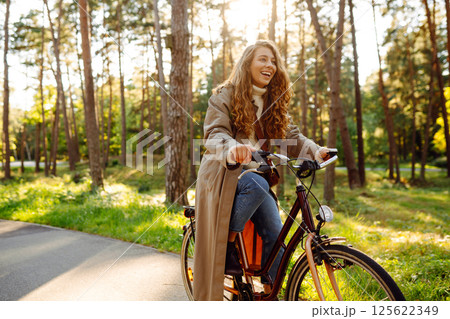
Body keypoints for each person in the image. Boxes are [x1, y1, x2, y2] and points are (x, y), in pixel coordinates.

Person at [193, 40, 331, 301]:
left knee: (276, 234)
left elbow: (293, 136)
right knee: (258, 185)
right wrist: (232, 147)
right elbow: (214, 133)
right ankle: (226, 248)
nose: (270, 65)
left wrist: (316, 150)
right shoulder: (224, 95)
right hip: (226, 175)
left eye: (274, 61)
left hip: (256, 178)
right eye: (263, 59)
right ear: (248, 63)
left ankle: (273, 294)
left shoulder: (273, 101)